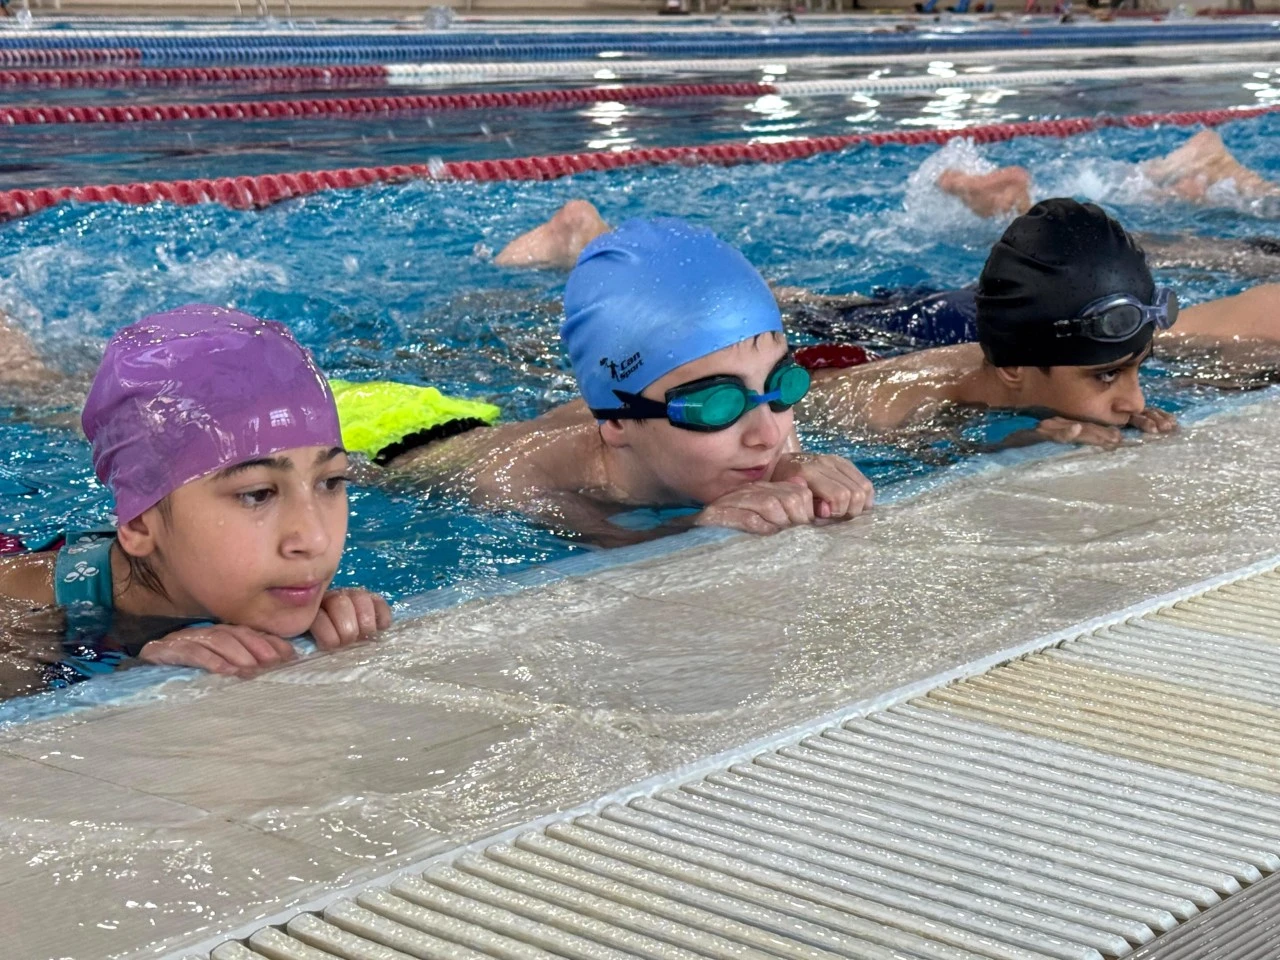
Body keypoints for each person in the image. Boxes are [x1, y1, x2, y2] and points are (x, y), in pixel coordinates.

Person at [388, 218, 874, 540]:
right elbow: (619, 550)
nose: (768, 435)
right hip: (399, 436)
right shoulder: (519, 482)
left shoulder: (762, 420)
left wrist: (799, 466)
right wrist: (697, 525)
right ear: (618, 421)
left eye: (783, 384)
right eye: (716, 405)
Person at [0, 305, 392, 700]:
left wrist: (338, 613)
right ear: (138, 522)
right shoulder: (19, 626)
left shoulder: (236, 570)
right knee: (28, 384)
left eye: (330, 482)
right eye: (257, 494)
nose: (315, 539)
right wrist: (129, 672)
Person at [799, 199, 1180, 449]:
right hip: (868, 346)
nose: (1136, 402)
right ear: (1014, 367)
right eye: (1107, 375)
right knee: (814, 312)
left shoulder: (1031, 345)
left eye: (1136, 367)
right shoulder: (887, 414)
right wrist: (1014, 443)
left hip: (961, 325)